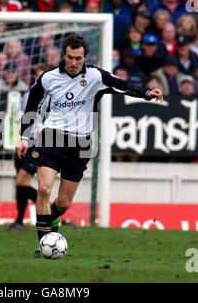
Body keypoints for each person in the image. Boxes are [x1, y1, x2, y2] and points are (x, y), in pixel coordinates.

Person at [16, 33, 163, 257]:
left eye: (78, 58)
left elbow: (121, 85)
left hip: (80, 144)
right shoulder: (49, 77)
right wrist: (24, 138)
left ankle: (50, 226)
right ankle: (45, 243)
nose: (74, 63)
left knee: (63, 204)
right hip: (51, 137)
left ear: (85, 57)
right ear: (63, 56)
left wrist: (145, 93)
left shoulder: (95, 76)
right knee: (44, 189)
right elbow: (32, 105)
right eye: (70, 57)